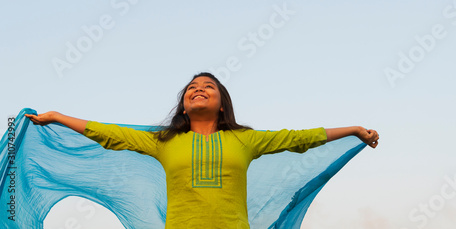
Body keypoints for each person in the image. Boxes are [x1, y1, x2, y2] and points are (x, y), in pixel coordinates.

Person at [25, 72, 379, 228]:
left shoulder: (245, 140)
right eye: (192, 88)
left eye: (208, 87)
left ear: (222, 104)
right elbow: (110, 134)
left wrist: (351, 129)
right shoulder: (164, 142)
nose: (198, 89)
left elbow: (298, 138)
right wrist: (58, 117)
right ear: (182, 106)